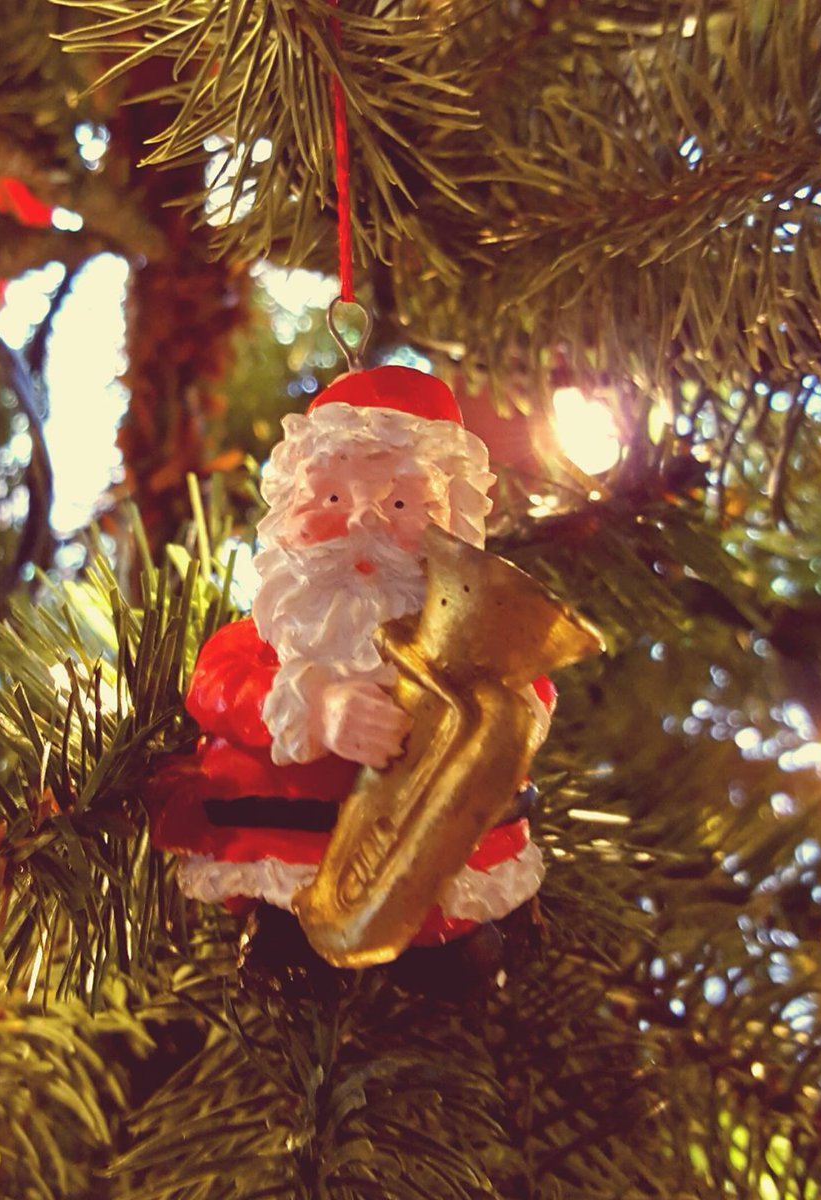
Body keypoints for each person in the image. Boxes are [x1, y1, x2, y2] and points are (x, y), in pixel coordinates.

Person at [149, 365, 555, 946]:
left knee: (454, 940)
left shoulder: (473, 633)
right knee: (288, 934)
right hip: (289, 845)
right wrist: (316, 709)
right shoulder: (274, 633)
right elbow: (215, 685)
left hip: (436, 838)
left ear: (454, 520)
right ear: (288, 513)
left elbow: (530, 686)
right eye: (333, 496)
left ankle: (452, 935)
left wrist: (496, 717)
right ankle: (280, 934)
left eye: (399, 502)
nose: (364, 520)